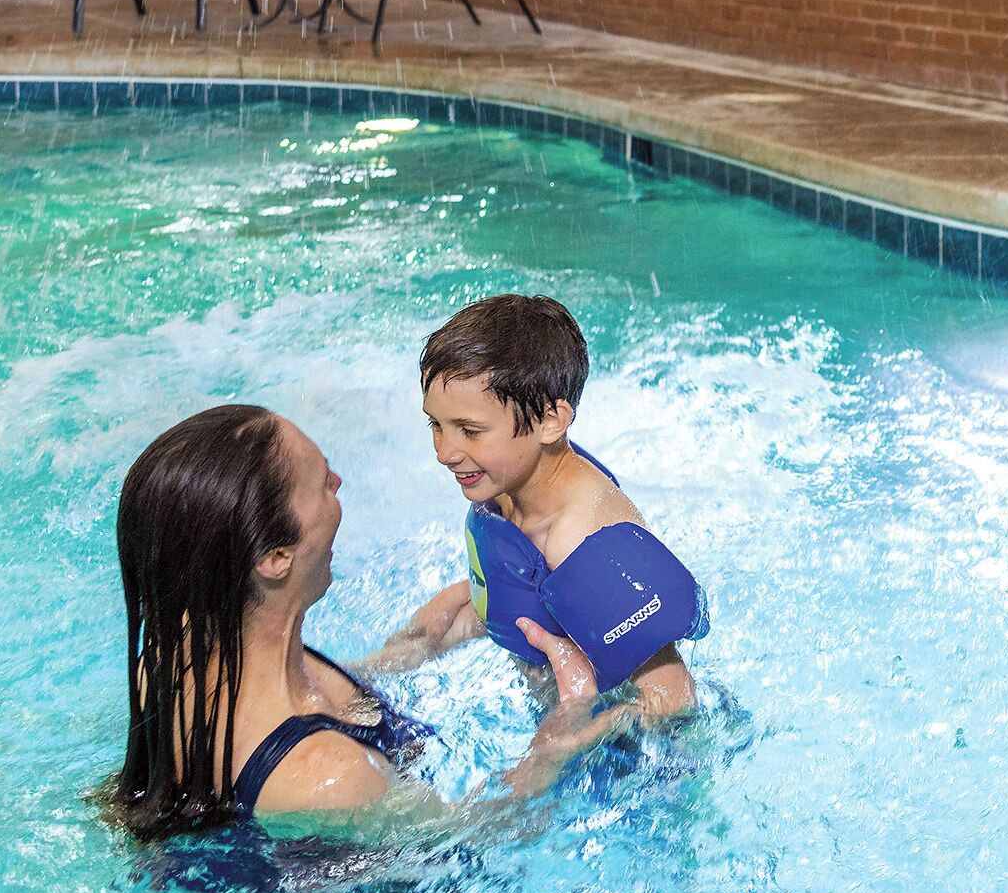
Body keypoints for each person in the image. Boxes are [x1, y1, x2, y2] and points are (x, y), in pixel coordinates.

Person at [106, 403, 637, 838]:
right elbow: (480, 837)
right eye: (322, 485)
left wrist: (412, 649)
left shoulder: (179, 655)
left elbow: (310, 702)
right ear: (274, 559)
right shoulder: (330, 778)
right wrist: (559, 736)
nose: (338, 481)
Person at [372, 295, 704, 721]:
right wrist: (460, 612)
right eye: (436, 425)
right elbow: (534, 597)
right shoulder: (511, 484)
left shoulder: (580, 541)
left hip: (633, 763)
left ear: (550, 422)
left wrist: (571, 728)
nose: (445, 452)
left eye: (470, 431)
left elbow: (674, 700)